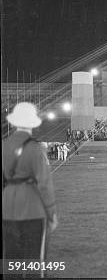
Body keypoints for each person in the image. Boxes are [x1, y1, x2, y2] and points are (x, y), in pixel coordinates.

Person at [2, 102, 59, 274]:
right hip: (32, 207)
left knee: (11, 261)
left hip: (7, 206)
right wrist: (52, 213)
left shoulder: (3, 146)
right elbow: (44, 184)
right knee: (35, 261)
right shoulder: (35, 148)